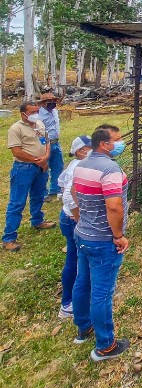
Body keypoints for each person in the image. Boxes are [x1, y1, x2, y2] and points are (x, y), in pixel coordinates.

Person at [72, 128, 130, 361]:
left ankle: (83, 326)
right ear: (105, 145)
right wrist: (117, 236)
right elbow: (114, 206)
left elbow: (76, 195)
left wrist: (84, 220)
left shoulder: (83, 165)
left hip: (83, 233)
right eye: (117, 140)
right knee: (102, 293)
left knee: (82, 282)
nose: (121, 143)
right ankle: (105, 345)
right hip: (103, 239)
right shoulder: (110, 169)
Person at [2, 102, 56, 252]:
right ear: (23, 114)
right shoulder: (16, 129)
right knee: (17, 202)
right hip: (23, 168)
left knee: (39, 196)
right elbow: (16, 151)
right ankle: (9, 238)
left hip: (42, 166)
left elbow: (46, 142)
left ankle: (37, 221)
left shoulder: (39, 124)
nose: (35, 114)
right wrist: (36, 161)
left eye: (37, 111)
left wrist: (46, 157)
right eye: (32, 112)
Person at [57, 135, 92, 319]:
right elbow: (68, 196)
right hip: (73, 219)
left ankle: (70, 301)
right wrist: (79, 218)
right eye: (89, 148)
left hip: (67, 216)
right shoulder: (80, 166)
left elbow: (61, 183)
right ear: (80, 151)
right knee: (76, 260)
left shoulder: (72, 165)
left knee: (74, 257)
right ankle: (69, 304)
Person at [38, 93, 63, 201]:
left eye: (54, 101)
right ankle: (42, 193)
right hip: (44, 144)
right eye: (49, 101)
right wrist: (44, 144)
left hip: (56, 143)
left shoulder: (55, 112)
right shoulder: (38, 115)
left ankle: (55, 189)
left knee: (58, 166)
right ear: (43, 103)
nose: (52, 103)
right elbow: (37, 132)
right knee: (43, 168)